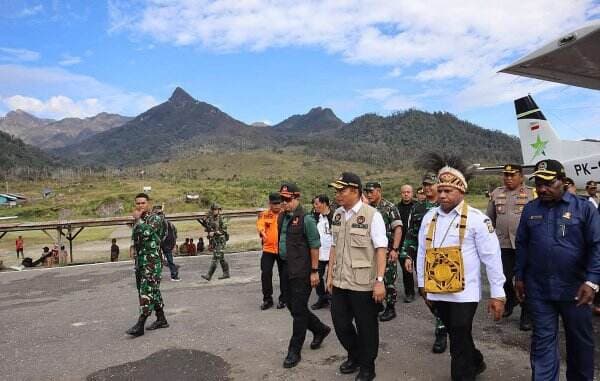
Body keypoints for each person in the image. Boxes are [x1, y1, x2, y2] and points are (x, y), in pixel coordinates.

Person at [415, 154, 506, 381]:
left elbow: (492, 257)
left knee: (457, 339)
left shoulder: (477, 219)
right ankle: (476, 360)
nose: (443, 195)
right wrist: (422, 284)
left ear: (462, 192)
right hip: (436, 289)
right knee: (459, 334)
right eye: (441, 190)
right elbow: (422, 253)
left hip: (465, 293)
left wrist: (498, 294)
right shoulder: (428, 218)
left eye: (449, 191)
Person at [515, 159, 600, 380]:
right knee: (542, 341)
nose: (542, 189)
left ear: (562, 181)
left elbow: (597, 246)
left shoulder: (584, 208)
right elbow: (522, 244)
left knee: (579, 343)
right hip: (539, 289)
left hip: (576, 290)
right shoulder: (531, 209)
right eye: (539, 183)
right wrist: (519, 276)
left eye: (548, 183)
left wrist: (592, 281)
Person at [326, 173, 387, 381]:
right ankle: (355, 354)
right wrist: (329, 274)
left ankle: (367, 366)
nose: (337, 194)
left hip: (363, 283)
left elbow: (381, 249)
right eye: (336, 191)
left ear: (355, 190)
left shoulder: (372, 215)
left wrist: (380, 281)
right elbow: (334, 245)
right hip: (340, 281)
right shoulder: (337, 215)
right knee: (340, 323)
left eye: (341, 190)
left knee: (366, 326)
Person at [277, 183, 331, 369]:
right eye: (282, 199)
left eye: (287, 199)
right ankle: (319, 329)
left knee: (299, 311)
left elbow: (315, 245)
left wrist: (315, 271)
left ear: (296, 198)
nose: (284, 203)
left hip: (303, 271)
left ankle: (294, 351)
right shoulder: (282, 217)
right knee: (291, 306)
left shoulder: (306, 219)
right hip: (286, 268)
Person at [402, 172, 449, 354]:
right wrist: (407, 255)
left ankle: (442, 330)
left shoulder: (446, 203)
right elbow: (412, 233)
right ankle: (443, 321)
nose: (428, 187)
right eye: (425, 185)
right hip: (425, 257)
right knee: (427, 295)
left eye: (431, 184)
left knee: (444, 294)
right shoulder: (418, 207)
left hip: (445, 257)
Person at [486, 164, 536, 331]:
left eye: (512, 175)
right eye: (506, 175)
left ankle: (526, 314)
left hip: (525, 245)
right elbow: (490, 219)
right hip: (503, 244)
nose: (508, 178)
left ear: (521, 177)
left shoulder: (531, 194)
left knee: (526, 280)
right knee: (504, 277)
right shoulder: (497, 193)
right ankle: (511, 299)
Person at [127, 193, 169, 337]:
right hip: (141, 261)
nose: (140, 206)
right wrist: (133, 247)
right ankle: (161, 319)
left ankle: (140, 324)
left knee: (146, 291)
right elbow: (137, 237)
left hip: (152, 261)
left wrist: (137, 220)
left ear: (148, 203)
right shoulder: (140, 219)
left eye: (143, 203)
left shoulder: (155, 218)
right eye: (137, 203)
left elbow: (147, 233)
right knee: (153, 290)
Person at [364, 181, 403, 322]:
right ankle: (377, 305)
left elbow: (398, 229)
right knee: (374, 278)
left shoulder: (389, 207)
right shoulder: (366, 208)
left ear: (379, 191)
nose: (368, 194)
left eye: (371, 191)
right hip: (371, 252)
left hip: (387, 250)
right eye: (366, 192)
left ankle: (391, 308)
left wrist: (395, 249)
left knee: (388, 280)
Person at [257, 192, 285, 310]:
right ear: (270, 204)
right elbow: (260, 224)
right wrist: (262, 231)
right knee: (266, 273)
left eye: (279, 203)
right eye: (274, 204)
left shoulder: (286, 214)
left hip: (282, 249)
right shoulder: (264, 215)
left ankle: (284, 299)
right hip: (268, 249)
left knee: (284, 275)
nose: (277, 206)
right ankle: (267, 299)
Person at [311, 194, 333, 310]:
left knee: (331, 277)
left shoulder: (334, 216)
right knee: (317, 276)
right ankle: (322, 298)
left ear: (324, 203)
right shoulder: (314, 216)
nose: (315, 206)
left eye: (317, 203)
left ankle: (333, 298)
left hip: (332, 253)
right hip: (319, 253)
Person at [200, 203, 230, 280]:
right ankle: (226, 273)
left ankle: (209, 275)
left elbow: (223, 231)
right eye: (213, 210)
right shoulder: (211, 218)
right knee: (221, 258)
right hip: (215, 241)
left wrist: (214, 233)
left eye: (215, 209)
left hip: (221, 241)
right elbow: (208, 227)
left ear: (219, 210)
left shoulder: (222, 219)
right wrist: (208, 231)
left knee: (216, 257)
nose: (214, 211)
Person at [397, 184, 415, 302]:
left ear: (412, 193)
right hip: (402, 243)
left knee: (420, 268)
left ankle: (427, 290)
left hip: (416, 242)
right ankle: (410, 293)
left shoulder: (417, 207)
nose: (406, 194)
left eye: (408, 192)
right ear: (401, 194)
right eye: (404, 192)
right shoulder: (396, 208)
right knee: (406, 269)